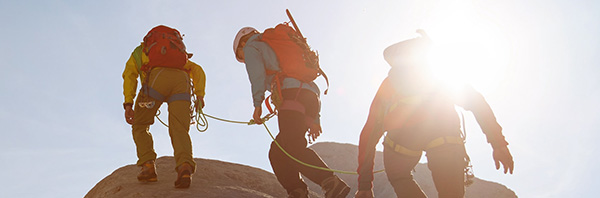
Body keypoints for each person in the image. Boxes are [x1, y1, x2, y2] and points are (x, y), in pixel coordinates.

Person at [354, 30, 514, 198]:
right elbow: (477, 103)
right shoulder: (440, 75)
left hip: (401, 145)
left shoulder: (390, 83)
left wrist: (364, 185)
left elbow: (369, 133)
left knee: (399, 176)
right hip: (446, 138)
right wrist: (498, 143)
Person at [233, 26, 350, 198]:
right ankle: (297, 191)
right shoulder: (277, 45)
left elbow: (256, 75)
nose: (244, 61)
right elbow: (310, 86)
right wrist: (315, 118)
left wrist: (257, 105)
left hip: (291, 95)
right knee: (278, 152)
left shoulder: (252, 46)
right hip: (308, 96)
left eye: (241, 57)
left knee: (293, 147)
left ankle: (330, 182)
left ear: (242, 43)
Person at [122, 25, 206, 188]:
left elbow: (130, 76)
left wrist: (128, 103)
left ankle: (148, 167)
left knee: (140, 125)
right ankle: (185, 167)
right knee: (180, 128)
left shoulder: (141, 51)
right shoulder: (178, 55)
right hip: (181, 81)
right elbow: (198, 70)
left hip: (156, 82)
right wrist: (200, 94)